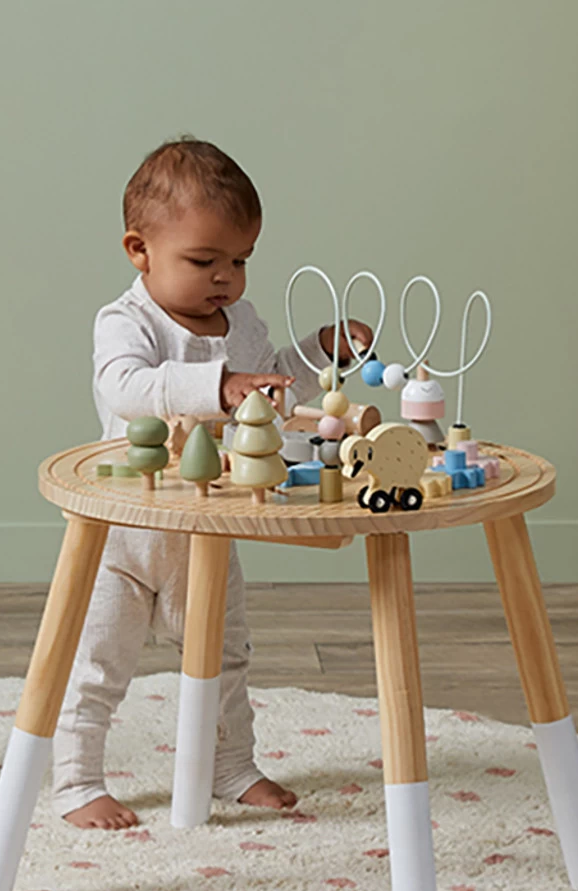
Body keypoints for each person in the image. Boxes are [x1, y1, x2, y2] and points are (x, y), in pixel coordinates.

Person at [52, 136, 368, 828]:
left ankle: (231, 764)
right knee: (99, 660)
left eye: (240, 260)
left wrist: (318, 351)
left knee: (228, 659)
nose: (225, 277)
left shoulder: (241, 324)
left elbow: (270, 390)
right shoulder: (125, 322)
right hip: (129, 535)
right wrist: (219, 387)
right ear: (140, 249)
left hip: (210, 533)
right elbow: (129, 388)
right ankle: (77, 778)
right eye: (204, 260)